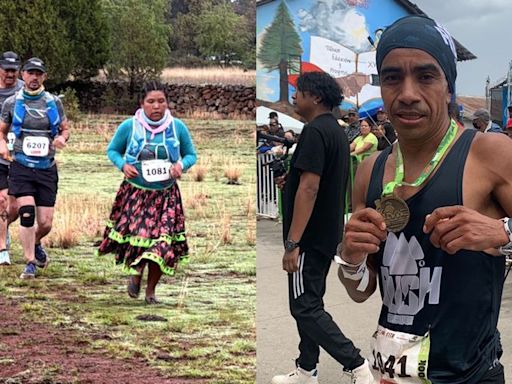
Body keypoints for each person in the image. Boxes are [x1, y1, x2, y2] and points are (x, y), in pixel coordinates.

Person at [338, 15, 512, 383]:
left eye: (426, 76)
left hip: (471, 375)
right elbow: (363, 290)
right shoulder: (370, 171)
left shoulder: (490, 155)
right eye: (392, 77)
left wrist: (503, 234)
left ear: (449, 87)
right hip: (392, 373)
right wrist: (350, 258)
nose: (407, 93)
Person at [272, 71, 372, 384]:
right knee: (310, 303)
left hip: (309, 238)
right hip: (325, 234)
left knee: (304, 307)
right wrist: (290, 183)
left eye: (298, 93)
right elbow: (312, 182)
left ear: (315, 97)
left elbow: (310, 189)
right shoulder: (335, 131)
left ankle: (356, 365)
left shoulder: (315, 131)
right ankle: (306, 370)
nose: (293, 98)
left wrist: (292, 243)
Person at [97, 81, 197, 304]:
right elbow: (112, 150)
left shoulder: (177, 127)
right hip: (136, 194)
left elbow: (191, 155)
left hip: (166, 197)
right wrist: (123, 165)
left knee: (163, 244)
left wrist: (181, 166)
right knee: (140, 240)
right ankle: (136, 271)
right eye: (151, 101)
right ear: (141, 103)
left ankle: (150, 292)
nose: (156, 106)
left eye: (161, 101)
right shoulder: (129, 127)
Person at [0, 57, 69, 279]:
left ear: (44, 77)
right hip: (21, 165)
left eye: (38, 73)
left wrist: (61, 139)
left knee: (46, 223)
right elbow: (1, 130)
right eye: (30, 73)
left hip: (46, 167)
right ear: (23, 75)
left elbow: (65, 129)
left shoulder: (53, 102)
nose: (34, 77)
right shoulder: (12, 103)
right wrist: (2, 145)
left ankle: (37, 241)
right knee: (26, 213)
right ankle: (30, 262)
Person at [0, 51, 23, 265]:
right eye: (7, 70)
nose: (10, 74)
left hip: (15, 154)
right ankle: (2, 246)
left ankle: (3, 227)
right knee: (1, 201)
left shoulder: (25, 91)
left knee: (13, 207)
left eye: (14, 70)